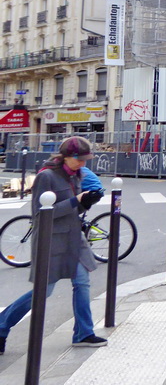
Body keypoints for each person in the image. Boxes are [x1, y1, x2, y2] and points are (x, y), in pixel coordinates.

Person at [0, 137, 107, 354]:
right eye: (80, 159)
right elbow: (41, 214)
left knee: (82, 283)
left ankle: (83, 333)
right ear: (67, 157)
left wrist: (86, 203)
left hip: (73, 239)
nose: (83, 163)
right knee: (43, 291)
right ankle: (2, 326)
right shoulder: (46, 177)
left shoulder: (76, 174)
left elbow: (73, 210)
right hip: (52, 241)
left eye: (86, 159)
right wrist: (76, 201)